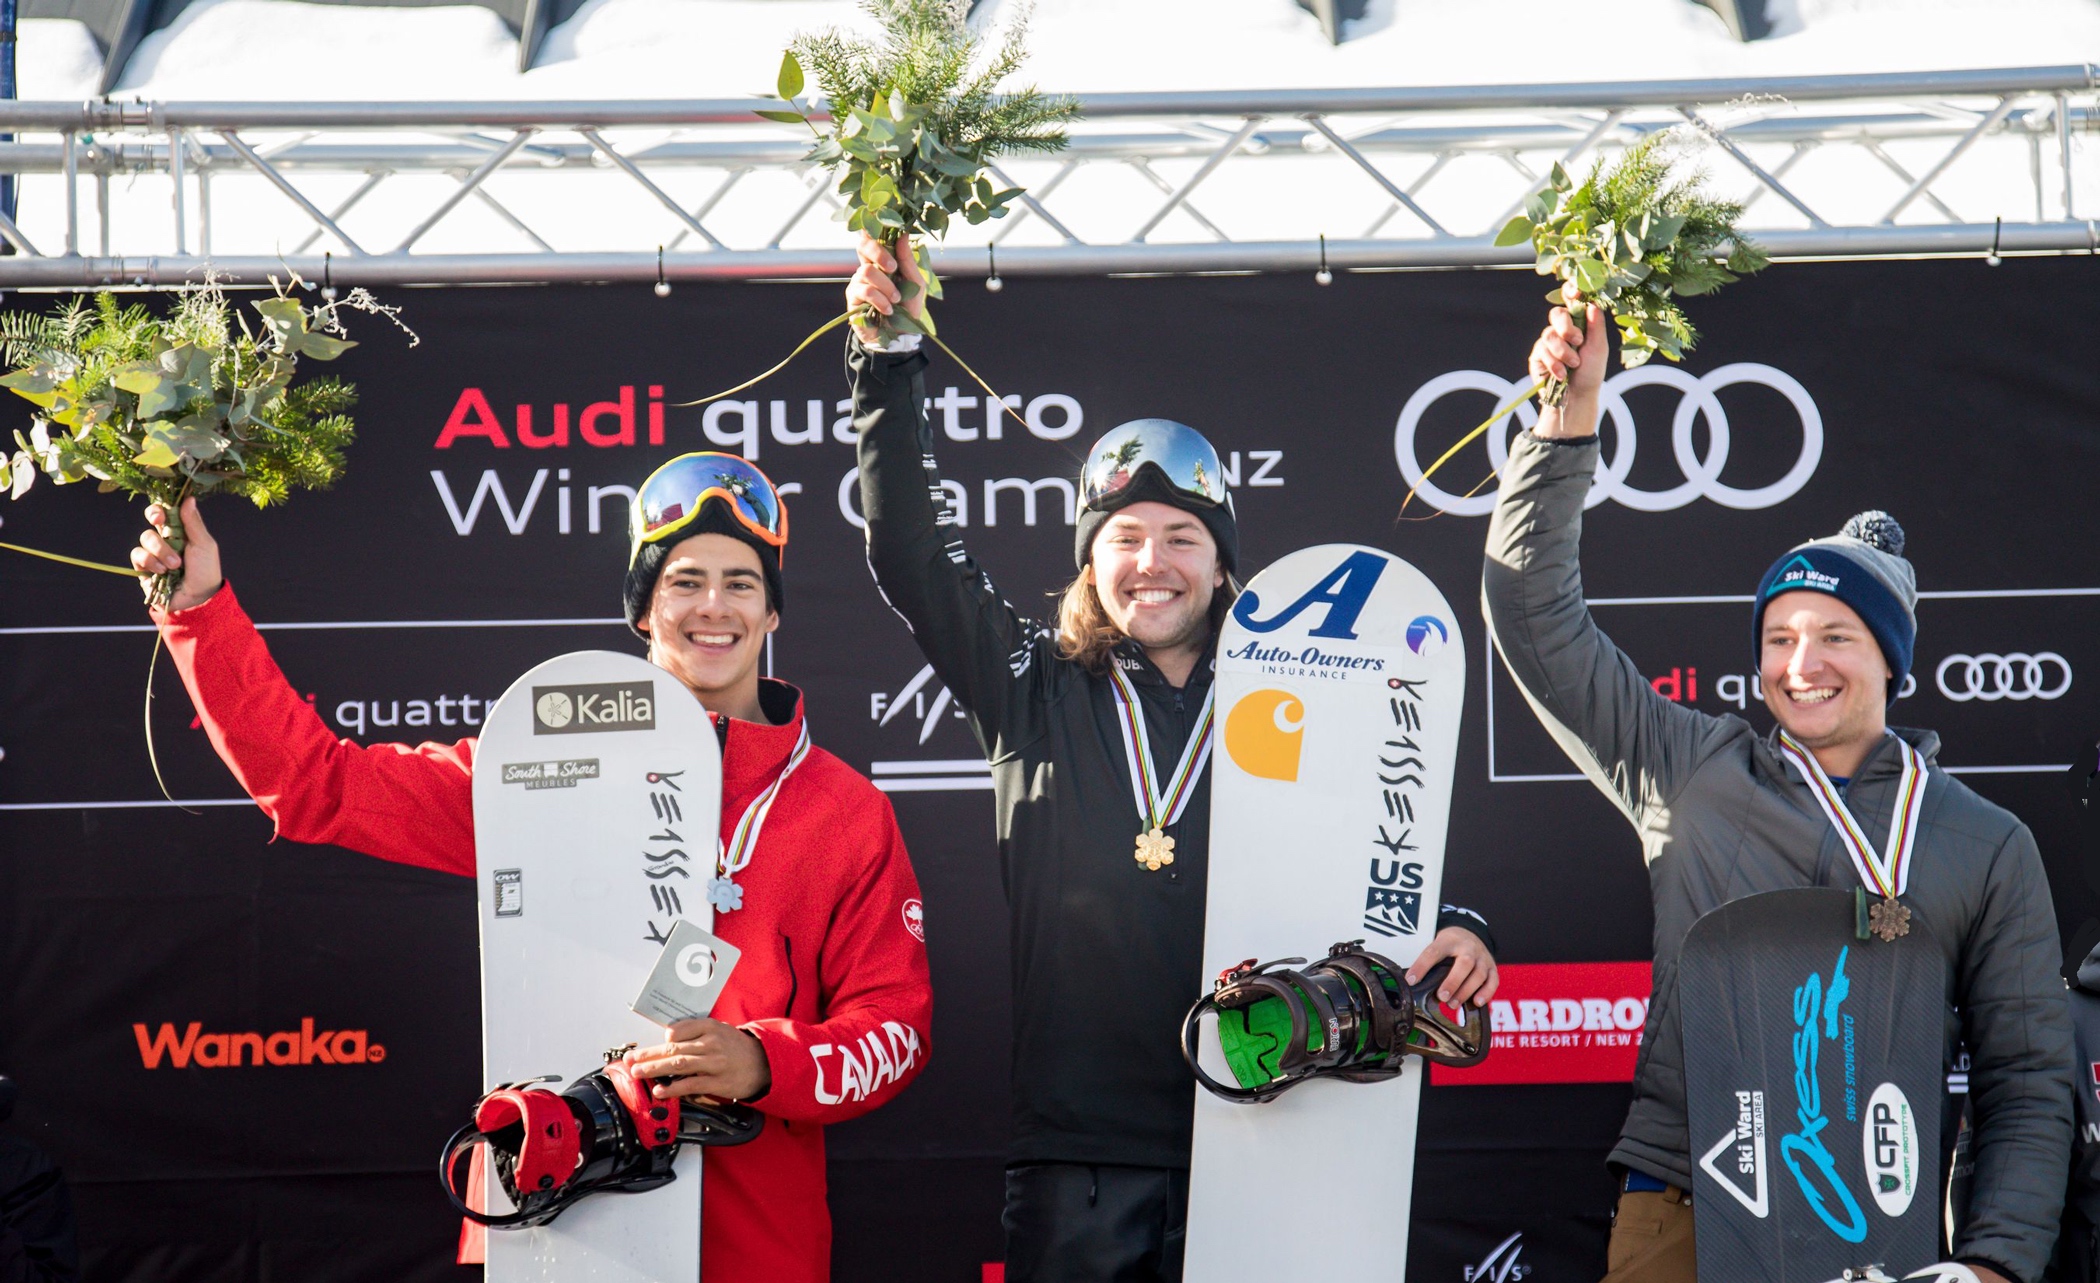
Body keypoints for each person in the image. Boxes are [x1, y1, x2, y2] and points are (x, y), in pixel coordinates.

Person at [844, 235, 1501, 1282]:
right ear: (1091, 560)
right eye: (1125, 537)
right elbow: (909, 548)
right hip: (1080, 1153)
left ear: (1223, 557)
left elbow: (1388, 832)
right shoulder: (1033, 685)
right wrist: (886, 363)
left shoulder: (1305, 689)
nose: (1153, 561)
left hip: (1279, 1111)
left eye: (1182, 536)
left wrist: (1455, 922)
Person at [128, 453, 933, 1283]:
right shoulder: (539, 769)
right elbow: (314, 786)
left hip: (755, 1235)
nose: (713, 607)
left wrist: (768, 1060)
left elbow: (896, 1026)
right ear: (643, 607)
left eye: (741, 582)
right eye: (685, 580)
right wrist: (199, 610)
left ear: (772, 612)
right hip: (558, 1221)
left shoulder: (844, 809)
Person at [1485, 297, 2073, 1283]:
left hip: (1879, 1229)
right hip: (1683, 1204)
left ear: (1890, 658)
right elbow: (1533, 611)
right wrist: (1568, 417)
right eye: (1778, 636)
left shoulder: (1981, 837)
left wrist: (1996, 1262)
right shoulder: (1694, 771)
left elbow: (2026, 1075)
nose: (1803, 663)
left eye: (1836, 635)